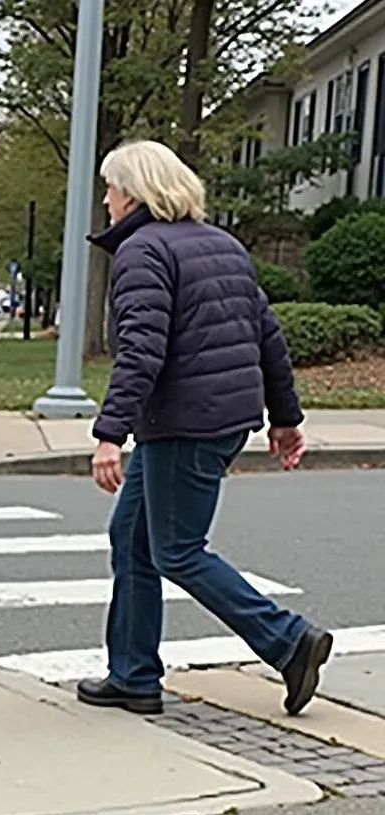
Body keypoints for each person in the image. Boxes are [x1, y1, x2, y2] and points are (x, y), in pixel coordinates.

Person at [77, 140, 333, 718]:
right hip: (216, 419)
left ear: (135, 192)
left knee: (178, 551)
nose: (107, 200)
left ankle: (289, 641)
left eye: (111, 188)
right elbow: (267, 333)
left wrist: (109, 434)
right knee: (133, 538)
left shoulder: (143, 251)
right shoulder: (222, 245)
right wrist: (286, 418)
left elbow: (141, 352)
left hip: (182, 423)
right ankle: (134, 676)